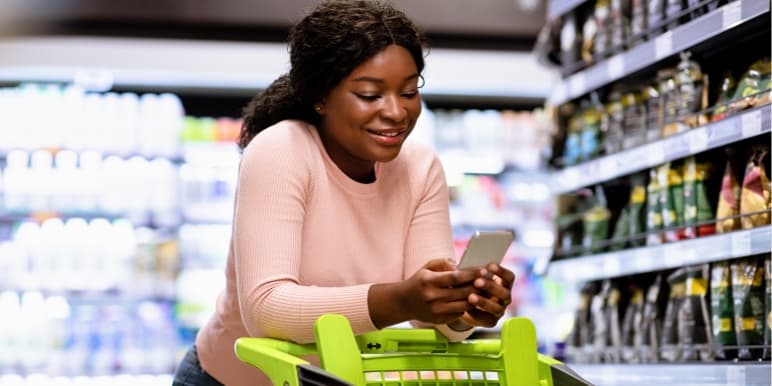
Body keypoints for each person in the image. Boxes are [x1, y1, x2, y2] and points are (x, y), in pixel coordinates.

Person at [172, 1, 515, 385]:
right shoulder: (280, 151)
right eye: (370, 95)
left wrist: (462, 307)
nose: (397, 112)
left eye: (408, 91)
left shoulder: (420, 167)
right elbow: (266, 309)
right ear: (320, 96)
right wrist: (400, 298)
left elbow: (430, 316)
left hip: (334, 379)